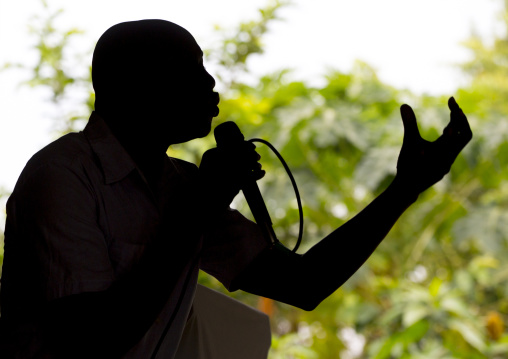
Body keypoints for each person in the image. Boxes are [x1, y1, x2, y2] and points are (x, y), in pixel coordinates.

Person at [0, 19, 472, 359]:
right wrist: (201, 205)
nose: (210, 83)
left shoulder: (178, 186)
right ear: (137, 86)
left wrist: (404, 189)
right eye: (189, 68)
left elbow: (304, 284)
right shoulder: (61, 176)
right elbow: (93, 339)